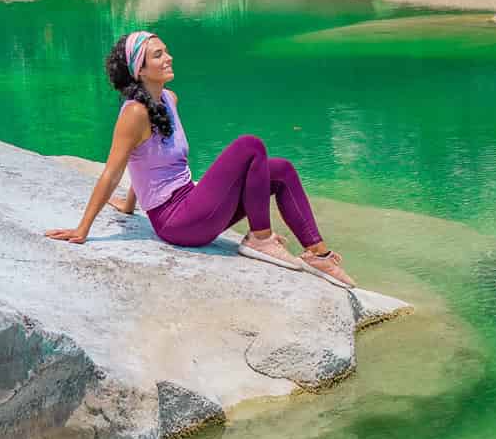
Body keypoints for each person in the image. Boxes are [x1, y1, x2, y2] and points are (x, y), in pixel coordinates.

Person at [46, 28, 354, 288]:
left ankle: (318, 254)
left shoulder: (169, 98)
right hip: (176, 222)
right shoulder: (134, 113)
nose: (168, 58)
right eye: (158, 55)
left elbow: (148, 162)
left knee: (281, 170)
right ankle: (261, 239)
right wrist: (82, 229)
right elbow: (113, 171)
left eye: (166, 51)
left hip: (194, 205)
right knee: (250, 145)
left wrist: (128, 205)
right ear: (139, 71)